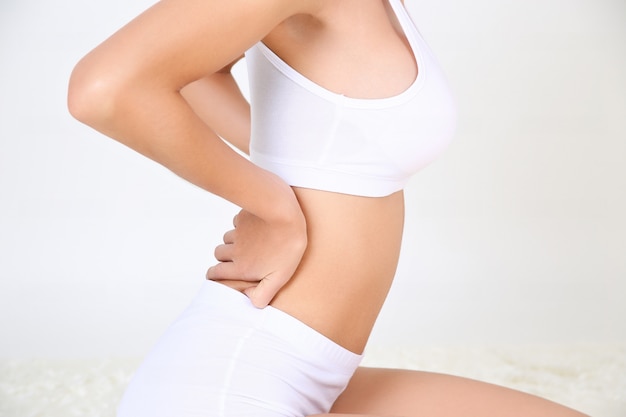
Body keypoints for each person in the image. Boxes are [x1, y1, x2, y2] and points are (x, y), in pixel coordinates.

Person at [67, 0, 589, 416]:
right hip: (236, 382)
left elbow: (201, 70)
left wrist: (296, 159)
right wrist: (271, 203)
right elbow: (104, 90)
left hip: (317, 378)